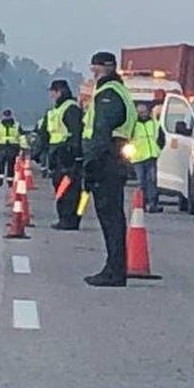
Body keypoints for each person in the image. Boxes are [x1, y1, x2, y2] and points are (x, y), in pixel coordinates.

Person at [81, 51, 136, 287]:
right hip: (114, 158)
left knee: (110, 217)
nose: (92, 72)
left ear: (102, 68)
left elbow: (102, 132)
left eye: (94, 68)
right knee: (113, 216)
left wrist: (91, 164)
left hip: (107, 160)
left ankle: (115, 270)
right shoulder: (117, 90)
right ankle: (114, 267)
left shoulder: (108, 94)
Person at [45, 79, 84, 231]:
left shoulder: (70, 109)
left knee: (70, 190)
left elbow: (76, 132)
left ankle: (70, 219)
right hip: (57, 155)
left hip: (67, 155)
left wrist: (73, 154)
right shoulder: (56, 110)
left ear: (58, 91)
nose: (51, 95)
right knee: (61, 189)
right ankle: (64, 218)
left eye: (52, 92)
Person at [126, 103, 166, 213]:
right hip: (138, 158)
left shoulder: (154, 123)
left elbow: (161, 138)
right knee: (141, 182)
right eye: (139, 112)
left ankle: (153, 204)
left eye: (143, 112)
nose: (142, 114)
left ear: (148, 112)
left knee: (152, 181)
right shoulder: (133, 126)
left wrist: (159, 148)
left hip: (151, 156)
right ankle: (142, 205)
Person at [0, 109, 23, 187]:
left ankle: (5, 181)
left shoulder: (15, 125)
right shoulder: (0, 125)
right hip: (6, 147)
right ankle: (5, 181)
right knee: (5, 164)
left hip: (9, 147)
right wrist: (23, 147)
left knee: (7, 164)